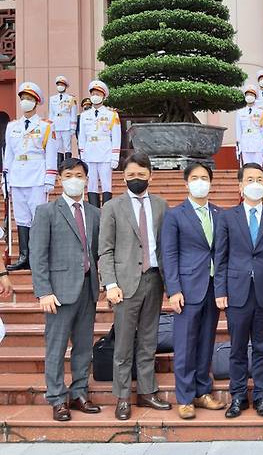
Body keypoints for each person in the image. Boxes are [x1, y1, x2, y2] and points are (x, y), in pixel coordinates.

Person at [99, 152, 172, 420]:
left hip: (154, 279)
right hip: (125, 284)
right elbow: (105, 251)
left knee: (149, 340)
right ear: (123, 177)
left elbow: (166, 246)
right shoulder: (112, 208)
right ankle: (122, 397)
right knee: (124, 343)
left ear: (150, 175)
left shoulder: (162, 205)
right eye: (131, 175)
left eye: (141, 175)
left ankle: (147, 391)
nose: (136, 179)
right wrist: (110, 284)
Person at [29, 158, 102, 421]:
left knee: (84, 346)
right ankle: (58, 398)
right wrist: (43, 291)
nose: (75, 179)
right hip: (58, 292)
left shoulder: (95, 212)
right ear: (60, 180)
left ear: (86, 180)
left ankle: (80, 391)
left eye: (79, 175)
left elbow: (97, 252)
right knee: (56, 347)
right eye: (69, 175)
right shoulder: (46, 211)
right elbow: (38, 255)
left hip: (87, 288)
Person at [215, 163, 263, 419]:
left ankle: (261, 396)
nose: (255, 183)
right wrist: (220, 290)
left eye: (260, 179)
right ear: (240, 186)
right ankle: (238, 396)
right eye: (250, 179)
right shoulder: (226, 217)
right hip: (236, 292)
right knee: (238, 347)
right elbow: (220, 257)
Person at [161, 162, 226, 420]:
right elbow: (169, 254)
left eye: (205, 177)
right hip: (187, 289)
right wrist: (173, 289)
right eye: (195, 177)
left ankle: (202, 392)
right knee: (186, 344)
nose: (200, 182)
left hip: (213, 288)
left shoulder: (220, 214)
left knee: (206, 343)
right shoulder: (175, 215)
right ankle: (185, 398)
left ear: (211, 182)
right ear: (186, 182)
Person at [3, 82, 58, 271]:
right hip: (17, 176)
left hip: (37, 177)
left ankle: (39, 257)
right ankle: (24, 256)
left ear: (36, 102)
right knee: (21, 218)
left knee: (38, 218)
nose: (25, 102)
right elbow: (8, 154)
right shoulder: (12, 127)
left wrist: (50, 178)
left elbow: (51, 153)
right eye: (23, 99)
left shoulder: (45, 126)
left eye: (29, 99)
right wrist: (5, 178)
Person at [77, 80, 121, 208]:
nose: (95, 96)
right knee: (91, 184)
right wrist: (82, 155)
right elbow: (82, 136)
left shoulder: (111, 115)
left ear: (103, 96)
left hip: (105, 153)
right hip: (90, 153)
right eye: (93, 93)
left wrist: (115, 156)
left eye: (98, 93)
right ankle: (94, 210)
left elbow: (116, 137)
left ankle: (107, 210)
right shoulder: (85, 115)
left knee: (106, 184)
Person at [235, 85, 263, 167]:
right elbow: (238, 130)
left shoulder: (261, 112)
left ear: (255, 97)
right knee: (246, 167)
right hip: (245, 143)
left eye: (251, 95)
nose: (249, 97)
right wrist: (238, 146)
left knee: (258, 167)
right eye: (247, 95)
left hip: (258, 143)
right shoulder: (240, 112)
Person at [48, 76, 78, 166]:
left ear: (65, 86)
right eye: (58, 84)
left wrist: (73, 127)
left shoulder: (71, 98)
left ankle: (67, 165)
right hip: (56, 124)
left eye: (61, 84)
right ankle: (59, 165)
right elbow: (51, 113)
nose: (60, 86)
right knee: (58, 147)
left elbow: (73, 113)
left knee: (67, 146)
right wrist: (51, 126)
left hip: (66, 125)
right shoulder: (52, 98)